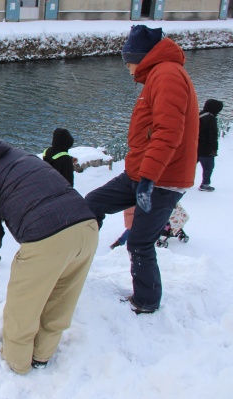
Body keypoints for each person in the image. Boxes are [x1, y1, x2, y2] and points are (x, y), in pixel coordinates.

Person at [0, 127, 98, 375]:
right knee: (60, 300)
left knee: (22, 310)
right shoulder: (25, 156)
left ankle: (16, 366)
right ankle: (43, 356)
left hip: (46, 238)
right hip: (86, 227)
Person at [85, 25, 199, 315]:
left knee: (139, 242)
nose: (128, 68)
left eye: (128, 62)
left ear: (141, 56)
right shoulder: (159, 75)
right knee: (92, 203)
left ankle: (146, 301)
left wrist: (148, 178)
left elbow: (167, 132)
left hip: (161, 179)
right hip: (142, 172)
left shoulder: (167, 75)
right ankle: (78, 256)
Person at [197, 99, 224, 192]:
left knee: (190, 165)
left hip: (195, 146)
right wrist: (214, 149)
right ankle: (205, 184)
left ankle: (179, 181)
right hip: (206, 148)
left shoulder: (200, 114)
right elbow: (212, 135)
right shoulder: (210, 118)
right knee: (208, 167)